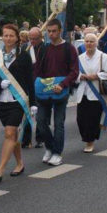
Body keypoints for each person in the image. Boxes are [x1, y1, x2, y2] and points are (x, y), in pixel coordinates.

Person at [0, 24, 34, 182]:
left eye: (11, 36)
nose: (8, 38)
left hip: (17, 100)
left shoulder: (23, 56)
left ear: (17, 38)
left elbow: (30, 79)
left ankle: (0, 169)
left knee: (9, 133)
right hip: (2, 100)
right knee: (12, 135)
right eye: (5, 35)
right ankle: (20, 163)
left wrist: (33, 103)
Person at [33, 19, 79, 166]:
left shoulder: (69, 48)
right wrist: (36, 84)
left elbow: (74, 71)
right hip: (44, 91)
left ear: (60, 31)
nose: (51, 34)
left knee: (59, 123)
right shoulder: (44, 48)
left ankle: (57, 153)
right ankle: (49, 147)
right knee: (41, 121)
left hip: (60, 91)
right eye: (49, 31)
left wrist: (63, 84)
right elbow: (37, 70)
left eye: (54, 31)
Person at [75, 33, 107, 153]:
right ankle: (86, 138)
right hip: (82, 93)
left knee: (93, 119)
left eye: (92, 41)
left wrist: (96, 76)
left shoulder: (103, 57)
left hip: (97, 94)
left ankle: (90, 141)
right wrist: (80, 77)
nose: (89, 44)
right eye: (87, 41)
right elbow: (74, 74)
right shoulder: (80, 58)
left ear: (96, 43)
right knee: (80, 119)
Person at [21, 27, 44, 149]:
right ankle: (26, 139)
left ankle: (40, 138)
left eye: (35, 39)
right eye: (31, 38)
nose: (32, 41)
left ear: (40, 37)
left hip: (40, 84)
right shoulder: (24, 48)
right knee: (27, 112)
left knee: (40, 114)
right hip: (27, 84)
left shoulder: (45, 48)